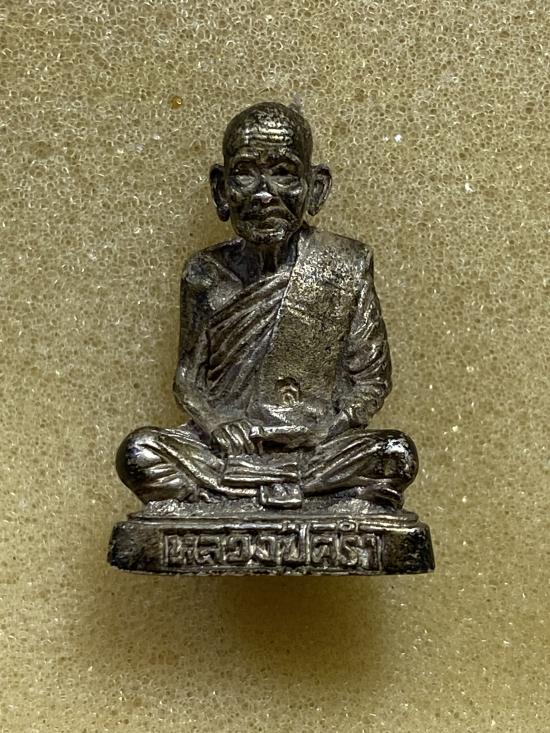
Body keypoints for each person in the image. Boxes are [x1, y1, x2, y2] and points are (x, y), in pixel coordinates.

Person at [116, 101, 418, 509]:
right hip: (229, 449)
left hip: (316, 446)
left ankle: (245, 492)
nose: (263, 194)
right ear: (221, 188)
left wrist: (330, 428)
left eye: (283, 173)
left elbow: (371, 379)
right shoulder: (205, 273)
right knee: (139, 453)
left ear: (315, 187)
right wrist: (217, 424)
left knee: (396, 454)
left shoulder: (344, 265)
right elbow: (187, 380)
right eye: (245, 173)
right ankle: (288, 491)